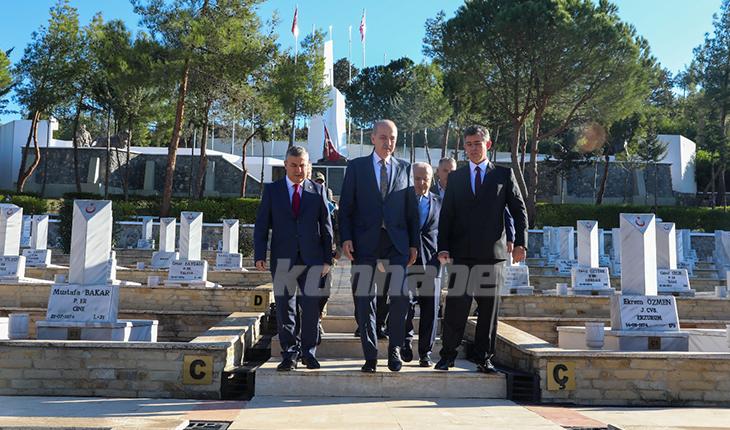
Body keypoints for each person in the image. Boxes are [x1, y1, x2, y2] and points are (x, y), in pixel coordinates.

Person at [436, 125, 528, 373]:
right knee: (456, 307)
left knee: (488, 310)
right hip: (462, 254)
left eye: (477, 143)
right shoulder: (456, 178)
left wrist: (521, 243)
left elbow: (519, 210)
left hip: (492, 255)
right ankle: (447, 355)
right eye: (468, 144)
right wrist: (443, 247)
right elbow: (447, 216)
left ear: (487, 145)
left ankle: (484, 358)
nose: (473, 148)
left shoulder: (503, 175)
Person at [339, 119, 420, 373]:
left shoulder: (405, 168)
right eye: (383, 137)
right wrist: (345, 238)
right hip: (364, 244)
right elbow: (346, 207)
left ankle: (394, 348)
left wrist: (414, 243)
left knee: (401, 296)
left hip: (396, 244)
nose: (388, 142)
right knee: (365, 300)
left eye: (392, 138)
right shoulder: (356, 167)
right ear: (372, 139)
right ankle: (370, 354)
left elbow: (411, 211)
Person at [254, 146, 334, 371]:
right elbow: (262, 224)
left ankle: (309, 353)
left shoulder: (317, 191)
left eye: (302, 165)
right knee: (285, 308)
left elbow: (326, 227)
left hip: (312, 259)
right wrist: (259, 254)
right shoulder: (273, 190)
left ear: (308, 166)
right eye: (294, 165)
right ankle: (289, 354)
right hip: (283, 258)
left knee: (310, 308)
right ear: (285, 166)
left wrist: (328, 259)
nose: (299, 170)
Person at [404, 162, 442, 367]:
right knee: (405, 304)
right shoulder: (403, 199)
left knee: (430, 308)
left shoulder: (439, 202)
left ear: (431, 179)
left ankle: (425, 352)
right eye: (417, 179)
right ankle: (405, 341)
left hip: (432, 261)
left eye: (425, 179)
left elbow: (444, 230)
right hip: (407, 261)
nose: (421, 183)